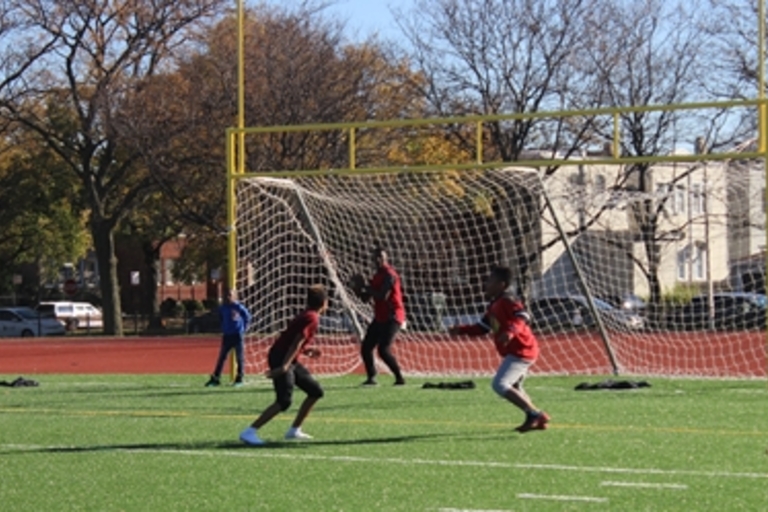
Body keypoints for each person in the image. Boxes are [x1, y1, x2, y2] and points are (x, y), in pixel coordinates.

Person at [448, 265, 550, 433]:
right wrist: (461, 330)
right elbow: (482, 328)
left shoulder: (508, 300)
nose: (486, 284)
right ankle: (536, 418)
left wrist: (510, 332)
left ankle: (535, 414)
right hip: (518, 350)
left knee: (499, 384)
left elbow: (524, 316)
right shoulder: (494, 304)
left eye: (490, 280)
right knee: (515, 387)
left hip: (521, 350)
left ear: (501, 285)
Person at [239, 284, 329, 446]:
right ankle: (249, 432)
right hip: (283, 358)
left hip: (287, 357)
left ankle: (294, 430)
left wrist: (307, 350)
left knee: (316, 391)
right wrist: (285, 366)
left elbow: (293, 340)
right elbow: (296, 342)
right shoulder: (312, 318)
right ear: (324, 303)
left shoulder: (307, 315)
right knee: (284, 401)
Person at [350, 246, 406, 386]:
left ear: (385, 258)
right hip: (380, 316)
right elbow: (365, 299)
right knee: (366, 347)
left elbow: (382, 295)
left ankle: (399, 377)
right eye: (375, 257)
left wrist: (366, 287)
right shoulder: (376, 276)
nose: (378, 260)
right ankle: (371, 377)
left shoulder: (389, 274)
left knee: (383, 349)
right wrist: (357, 289)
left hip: (393, 316)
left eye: (381, 257)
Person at [205, 289, 252, 387]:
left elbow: (247, 317)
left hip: (237, 335)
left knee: (239, 358)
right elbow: (221, 318)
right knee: (222, 358)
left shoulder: (238, 307)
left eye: (230, 295)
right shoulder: (223, 308)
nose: (228, 297)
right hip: (227, 335)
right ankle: (216, 378)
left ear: (235, 296)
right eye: (226, 295)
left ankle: (239, 379)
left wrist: (244, 328)